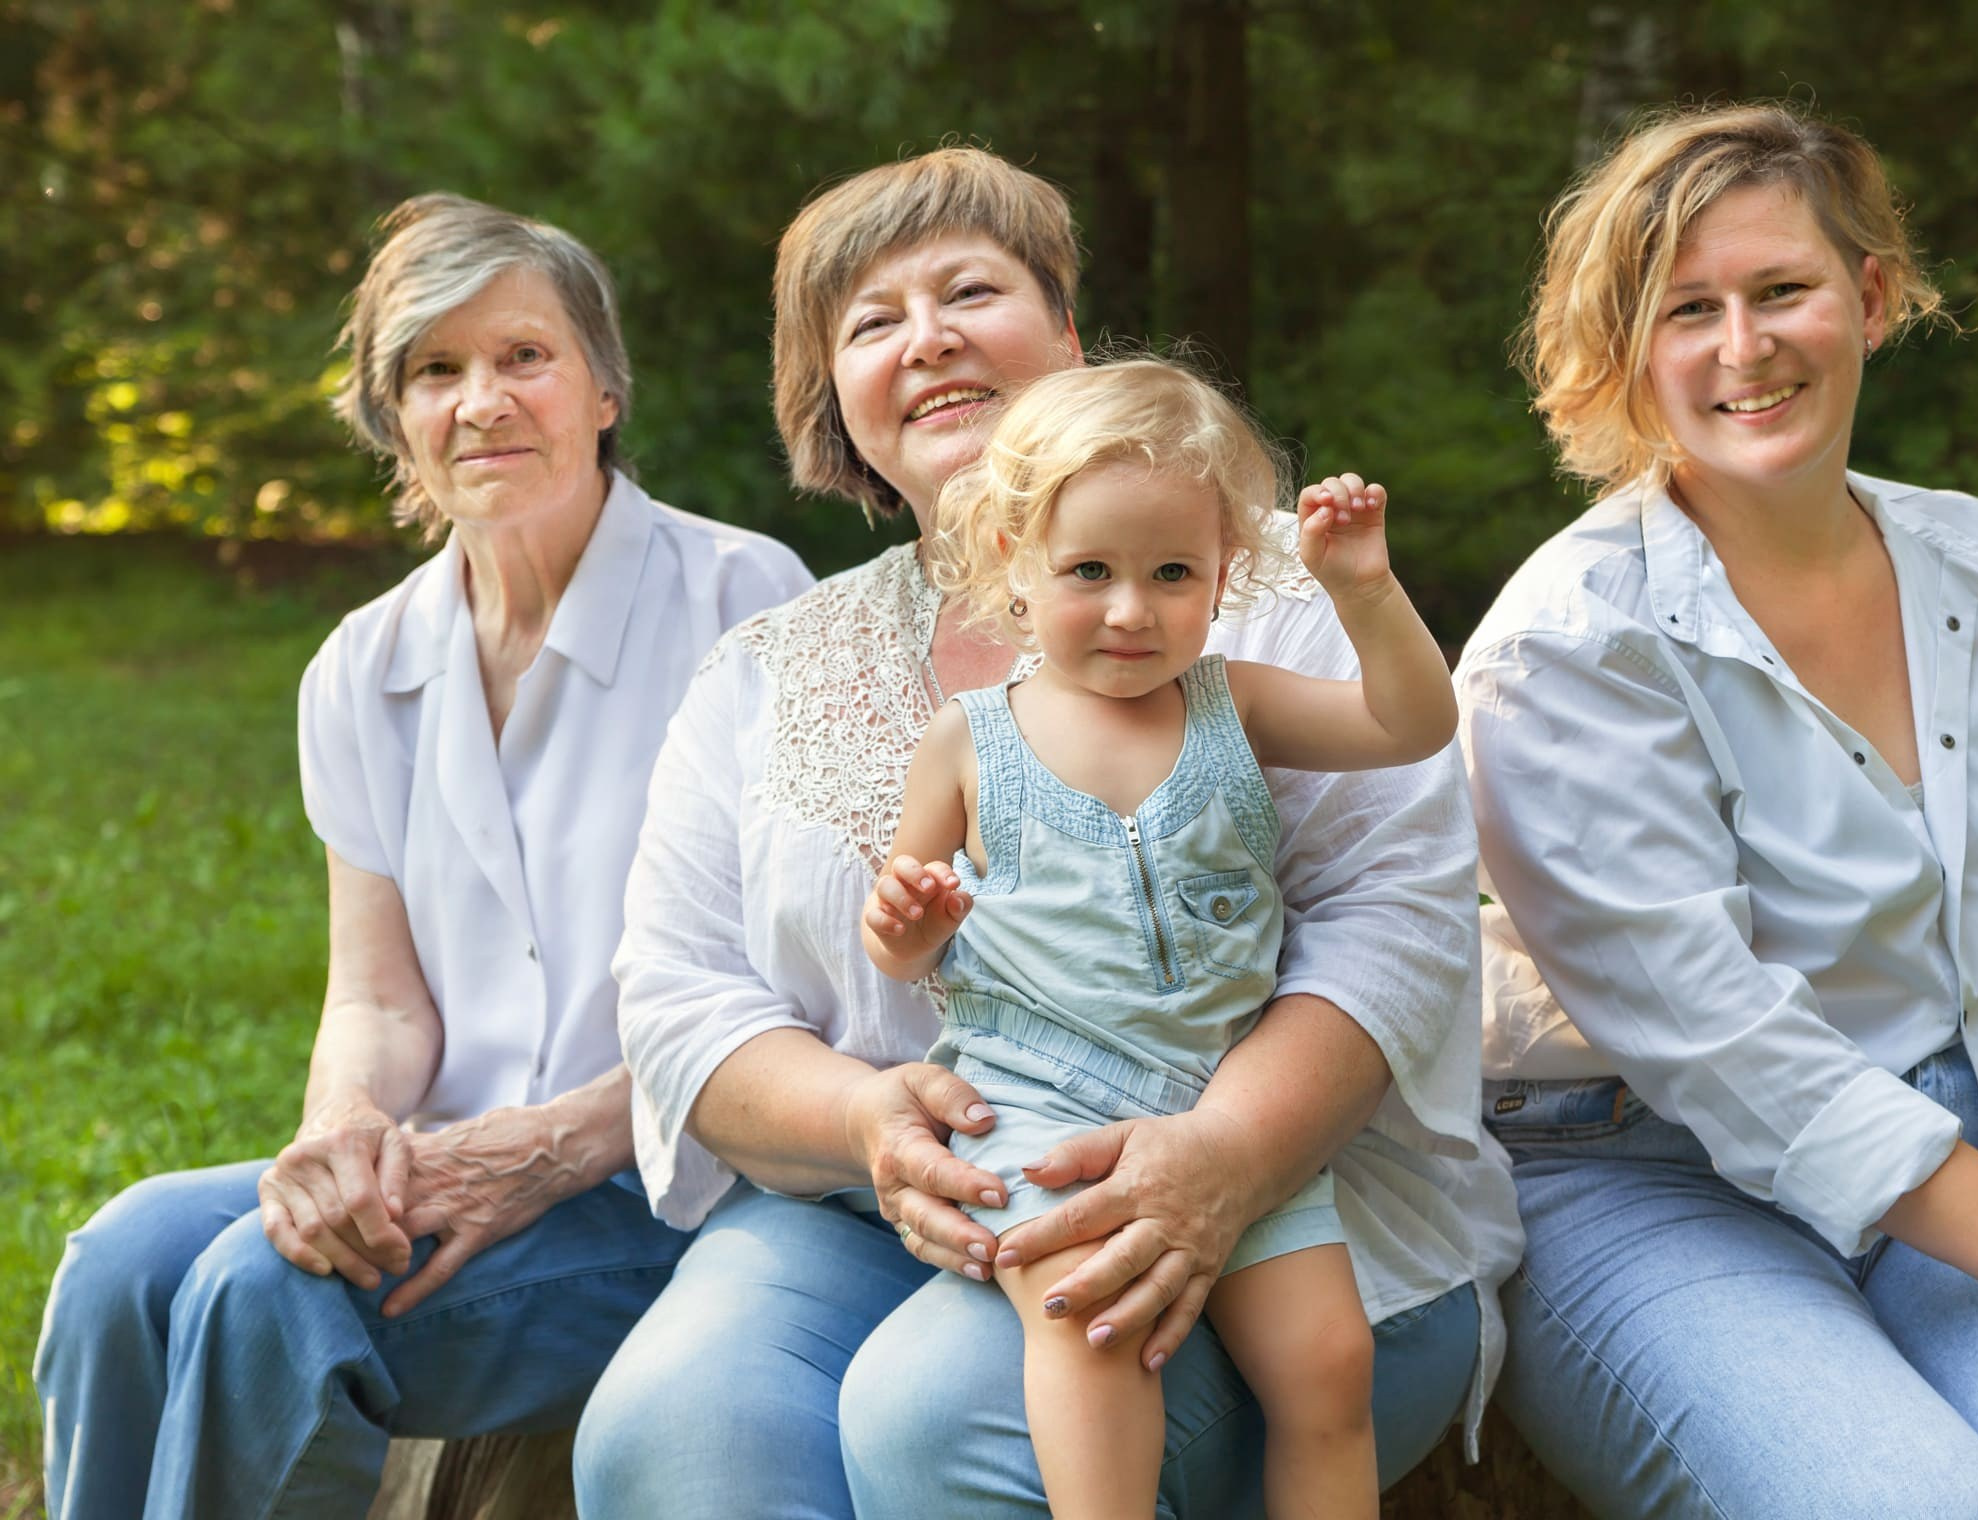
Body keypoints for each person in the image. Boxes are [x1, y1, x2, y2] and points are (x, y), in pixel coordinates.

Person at [575, 148, 1526, 1519]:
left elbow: (1398, 920)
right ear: (834, 401)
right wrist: (864, 1122)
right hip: (858, 1213)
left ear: (1070, 338)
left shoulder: (1250, 582)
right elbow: (676, 999)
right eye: (874, 321)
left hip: (1261, 1189)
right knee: (671, 1433)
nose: (929, 338)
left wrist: (1224, 1155)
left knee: (940, 1423)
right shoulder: (759, 672)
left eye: (971, 291)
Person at [1457, 101, 1978, 1518]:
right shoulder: (1567, 643)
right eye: (1687, 310)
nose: (1744, 347)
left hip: (1956, 1130)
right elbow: (1712, 1036)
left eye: (1782, 289)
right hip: (1639, 1168)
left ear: (1874, 296)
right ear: (1632, 350)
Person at [32, 193, 812, 1519]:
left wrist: (547, 1148)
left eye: (524, 355)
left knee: (265, 1295)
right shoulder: (361, 666)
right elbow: (380, 1000)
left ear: (605, 388)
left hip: (671, 1186)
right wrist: (339, 1136)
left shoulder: (746, 604)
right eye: (436, 370)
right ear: (393, 419)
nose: (482, 400)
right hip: (445, 1169)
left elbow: (803, 989)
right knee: (121, 1263)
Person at [862, 357, 1457, 1520]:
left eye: (1172, 573)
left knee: (1328, 1359)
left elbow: (1412, 723)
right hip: (1041, 1102)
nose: (1132, 609)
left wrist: (1365, 591)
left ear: (1223, 575)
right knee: (1089, 1325)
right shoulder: (969, 740)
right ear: (1014, 562)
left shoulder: (1238, 705)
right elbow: (900, 948)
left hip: (1215, 1102)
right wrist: (911, 924)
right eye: (1090, 570)